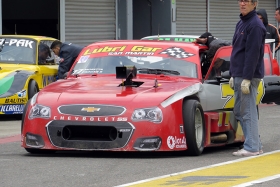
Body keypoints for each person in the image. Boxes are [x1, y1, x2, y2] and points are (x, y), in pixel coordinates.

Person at [230, 0, 266, 157]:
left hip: (248, 76)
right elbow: (236, 50)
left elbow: (253, 54)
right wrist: (233, 74)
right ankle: (255, 143)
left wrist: (247, 78)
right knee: (239, 110)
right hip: (239, 74)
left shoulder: (255, 25)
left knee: (247, 111)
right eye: (241, 0)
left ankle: (251, 146)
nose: (242, 3)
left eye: (247, 1)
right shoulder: (241, 23)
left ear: (255, 4)